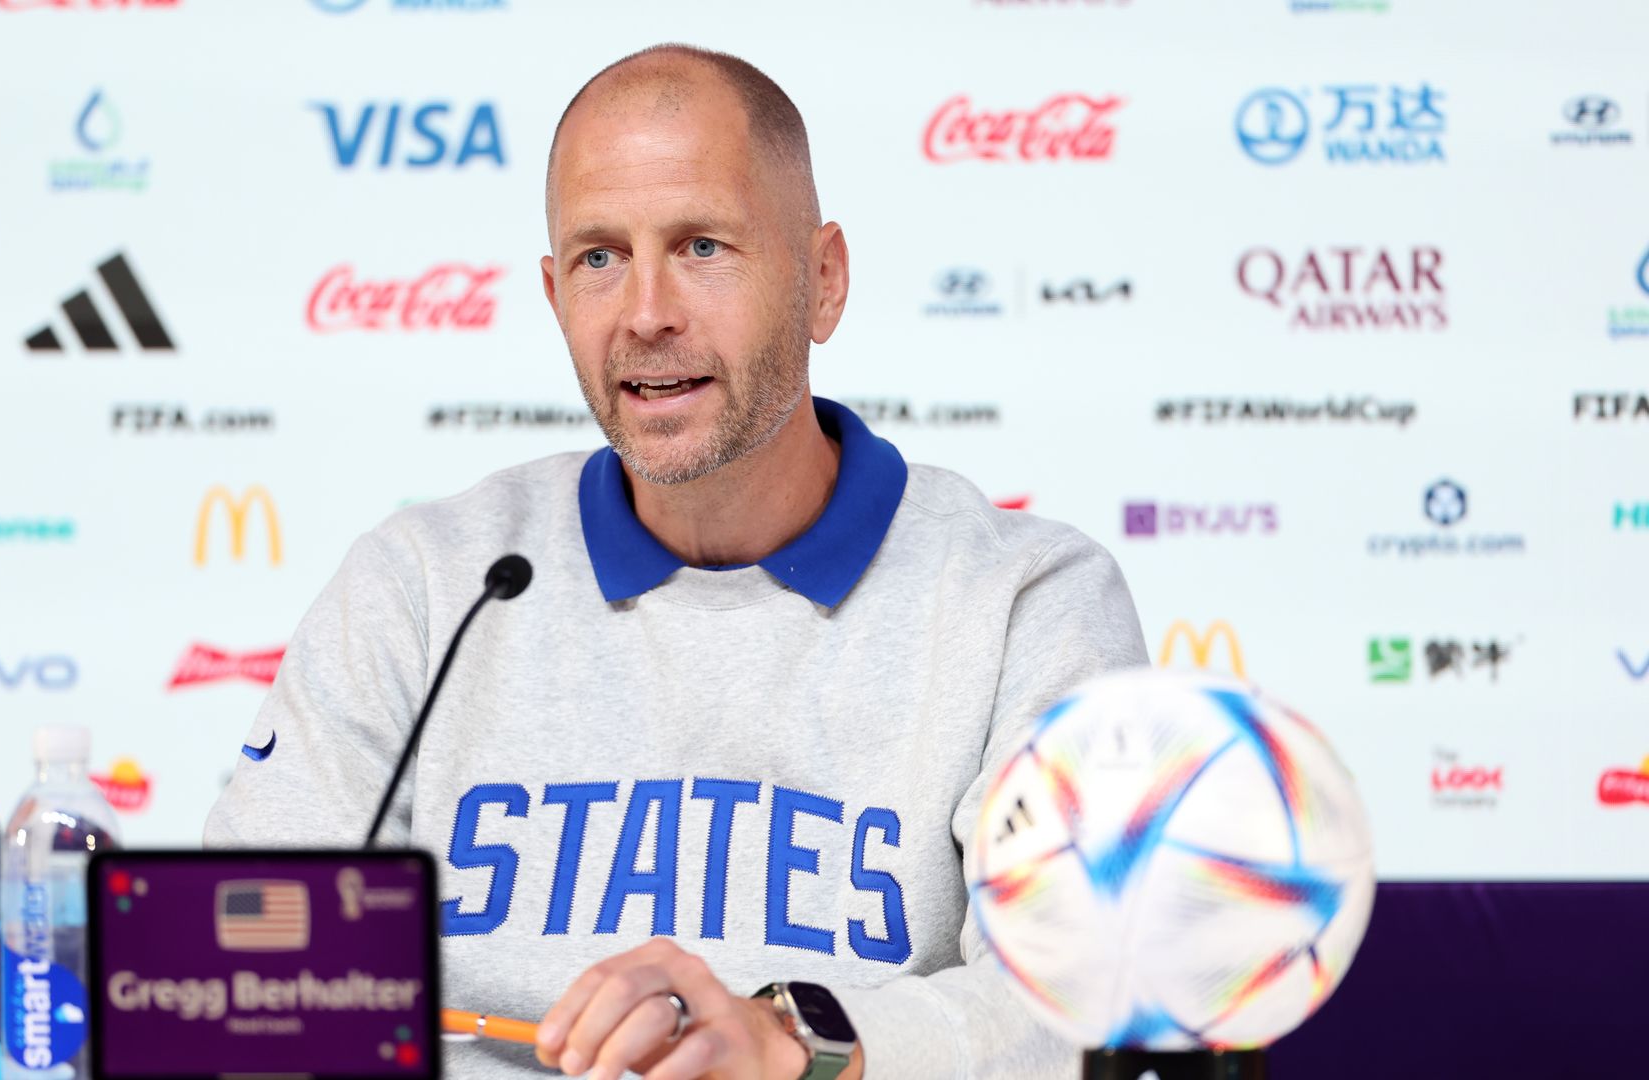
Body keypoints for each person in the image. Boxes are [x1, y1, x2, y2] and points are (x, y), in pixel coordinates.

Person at [206, 43, 1147, 1080]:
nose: (646, 313)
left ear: (823, 281)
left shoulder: (1028, 602)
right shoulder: (428, 584)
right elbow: (245, 969)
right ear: (556, 294)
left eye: (702, 246)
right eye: (601, 258)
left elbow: (1075, 997)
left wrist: (795, 1043)